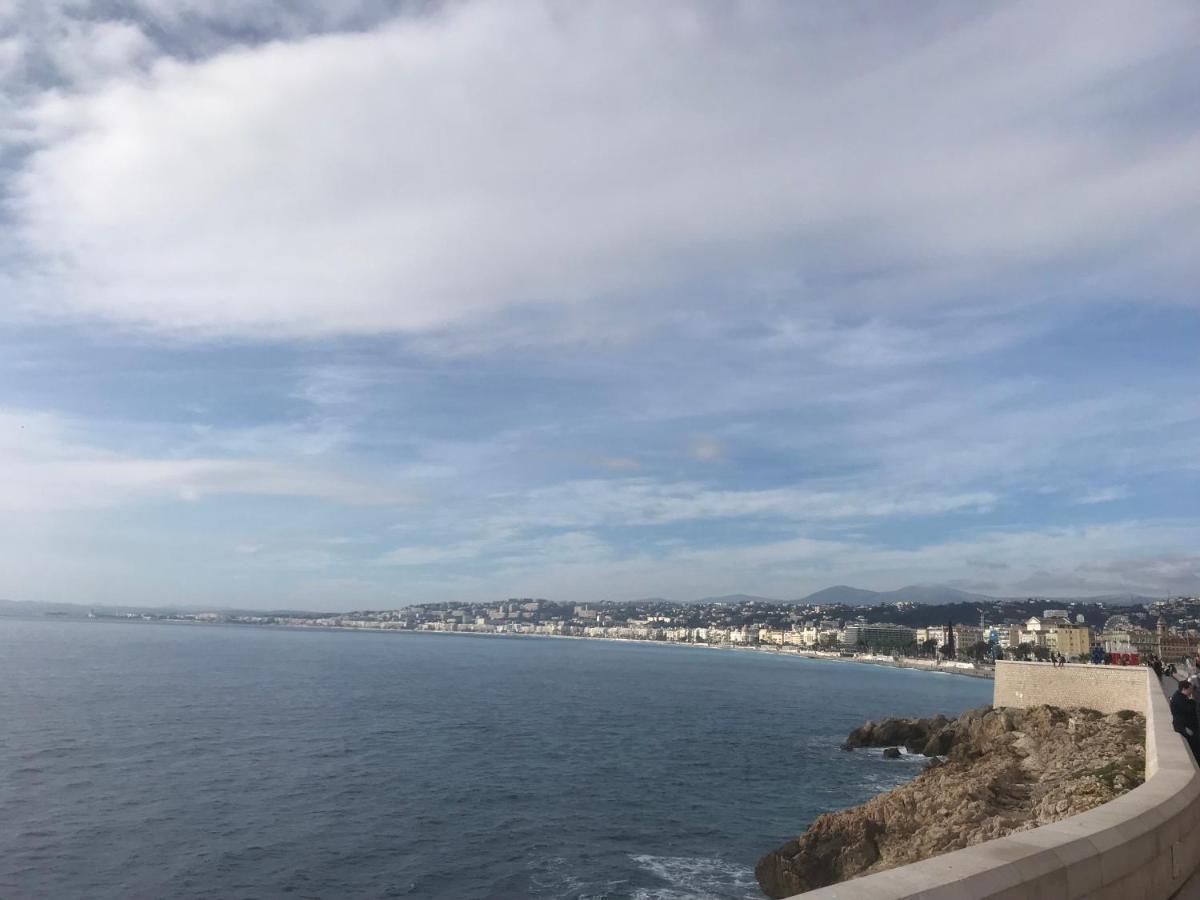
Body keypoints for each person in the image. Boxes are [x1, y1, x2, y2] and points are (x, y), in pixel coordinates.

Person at [1170, 679, 1200, 762]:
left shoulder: (1179, 697)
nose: (1191, 691)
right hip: (1186, 728)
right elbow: (1187, 711)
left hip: (1189, 727)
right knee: (1195, 748)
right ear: (1184, 689)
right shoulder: (1179, 700)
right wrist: (1193, 700)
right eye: (1190, 689)